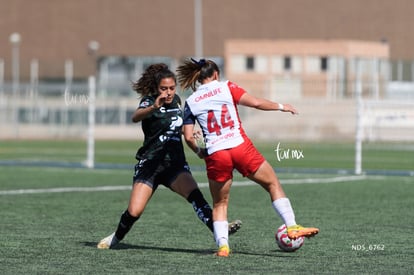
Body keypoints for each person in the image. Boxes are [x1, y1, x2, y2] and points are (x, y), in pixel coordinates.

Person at [177, 58, 319, 257]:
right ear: (216, 74)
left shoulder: (191, 102)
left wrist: (200, 152)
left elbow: (188, 136)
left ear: (198, 78)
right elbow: (256, 103)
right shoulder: (226, 87)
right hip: (240, 147)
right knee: (272, 184)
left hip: (216, 154)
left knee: (220, 204)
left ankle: (223, 247)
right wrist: (281, 106)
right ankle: (292, 226)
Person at [97, 63, 241, 249]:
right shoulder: (149, 102)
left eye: (171, 88)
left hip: (174, 164)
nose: (168, 92)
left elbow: (174, 124)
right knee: (134, 211)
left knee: (196, 196)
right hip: (150, 164)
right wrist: (153, 107)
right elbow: (135, 117)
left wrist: (187, 132)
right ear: (157, 89)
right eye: (164, 89)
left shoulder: (177, 101)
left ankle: (219, 230)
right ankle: (115, 238)